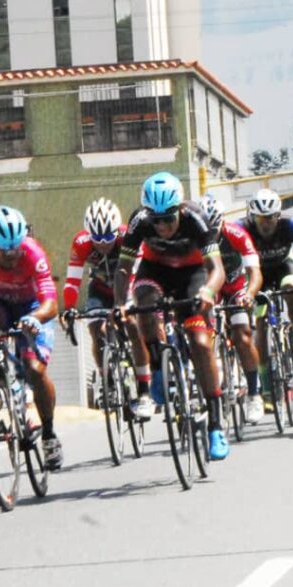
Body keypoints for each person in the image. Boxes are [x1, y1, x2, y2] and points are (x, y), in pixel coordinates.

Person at [114, 172, 231, 460]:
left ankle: (216, 424)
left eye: (168, 218)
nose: (162, 226)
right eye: (157, 219)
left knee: (201, 343)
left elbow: (217, 269)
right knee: (144, 307)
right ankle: (157, 368)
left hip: (193, 274)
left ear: (179, 209)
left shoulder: (196, 218)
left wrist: (207, 292)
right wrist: (119, 303)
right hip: (155, 272)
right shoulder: (140, 221)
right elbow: (123, 268)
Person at [0, 205, 63, 469]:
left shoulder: (32, 253)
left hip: (31, 307)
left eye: (15, 247)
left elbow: (51, 303)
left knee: (34, 369)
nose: (11, 254)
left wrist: (35, 318)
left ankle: (49, 435)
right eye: (4, 250)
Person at [61, 198, 137, 415]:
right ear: (89, 234)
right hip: (100, 289)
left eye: (108, 237)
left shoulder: (126, 236)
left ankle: (136, 361)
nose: (103, 243)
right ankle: (107, 379)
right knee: (96, 330)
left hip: (126, 286)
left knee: (130, 320)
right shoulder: (81, 243)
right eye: (97, 238)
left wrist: (126, 303)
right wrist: (68, 308)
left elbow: (137, 273)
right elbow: (73, 281)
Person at [200, 194, 265, 423]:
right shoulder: (193, 238)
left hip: (235, 287)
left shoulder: (236, 234)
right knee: (202, 336)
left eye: (214, 230)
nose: (210, 236)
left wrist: (249, 295)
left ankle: (255, 394)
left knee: (243, 336)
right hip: (209, 288)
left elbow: (255, 272)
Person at [239, 189, 293, 374]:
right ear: (251, 217)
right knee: (260, 326)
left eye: (270, 218)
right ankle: (266, 389)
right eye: (260, 218)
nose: (265, 224)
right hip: (258, 274)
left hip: (284, 267)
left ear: (278, 216)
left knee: (290, 288)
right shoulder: (242, 227)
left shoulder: (290, 225)